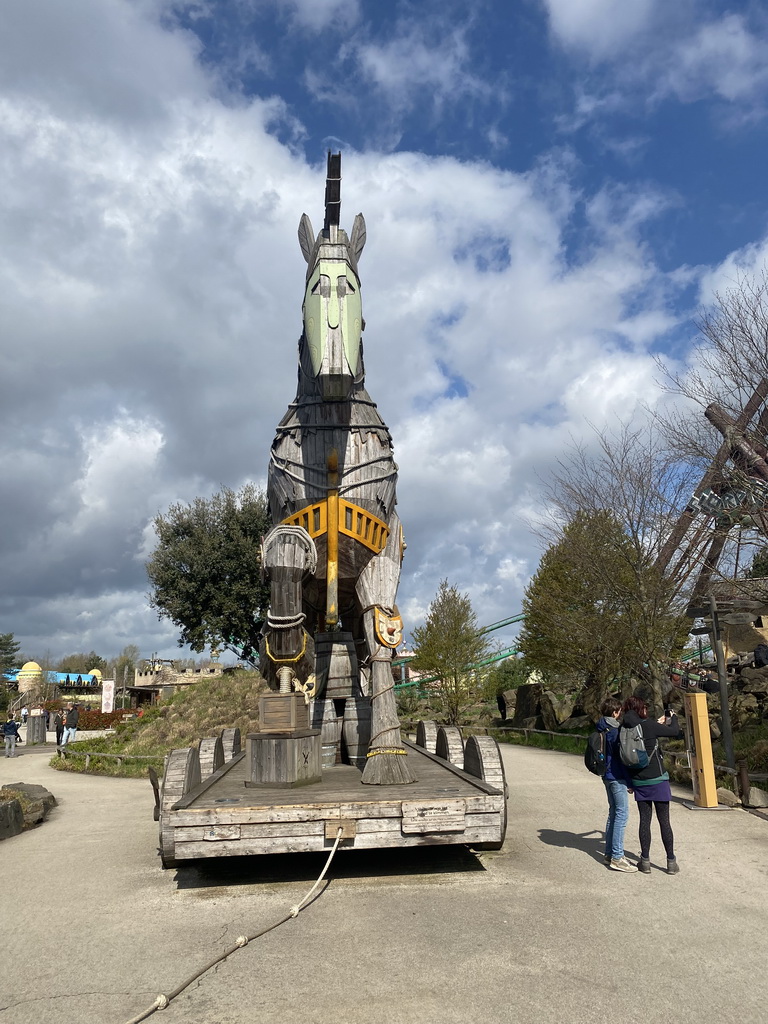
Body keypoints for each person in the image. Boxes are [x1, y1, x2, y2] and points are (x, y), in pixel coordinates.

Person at [621, 696, 683, 874]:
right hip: (658, 779)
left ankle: (645, 861)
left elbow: (623, 756)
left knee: (644, 820)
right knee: (664, 821)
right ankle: (671, 862)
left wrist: (629, 781)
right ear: (641, 709)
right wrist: (673, 718)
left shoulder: (624, 729)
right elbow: (674, 731)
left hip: (639, 780)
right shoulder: (648, 726)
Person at [596, 697, 636, 872]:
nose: (620, 714)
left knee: (613, 813)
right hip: (616, 776)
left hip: (605, 774)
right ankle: (617, 857)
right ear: (615, 712)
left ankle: (609, 853)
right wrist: (629, 781)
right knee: (621, 815)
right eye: (619, 711)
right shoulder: (614, 731)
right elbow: (622, 759)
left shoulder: (600, 726)